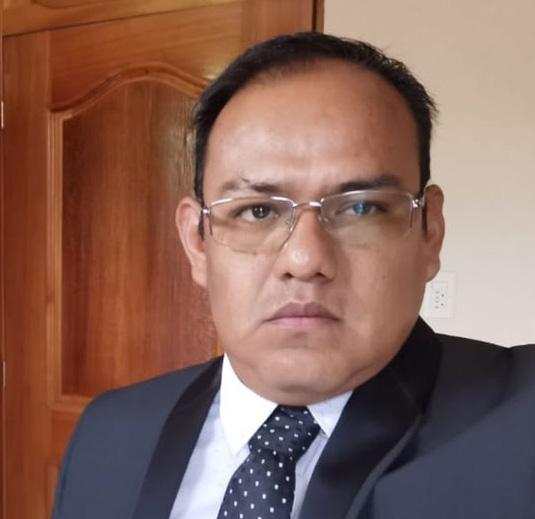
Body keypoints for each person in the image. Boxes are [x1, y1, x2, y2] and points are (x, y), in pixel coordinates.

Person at [51, 32, 535, 519]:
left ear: (430, 232)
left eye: (362, 208)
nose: (304, 260)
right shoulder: (107, 434)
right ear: (197, 242)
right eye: (257, 211)